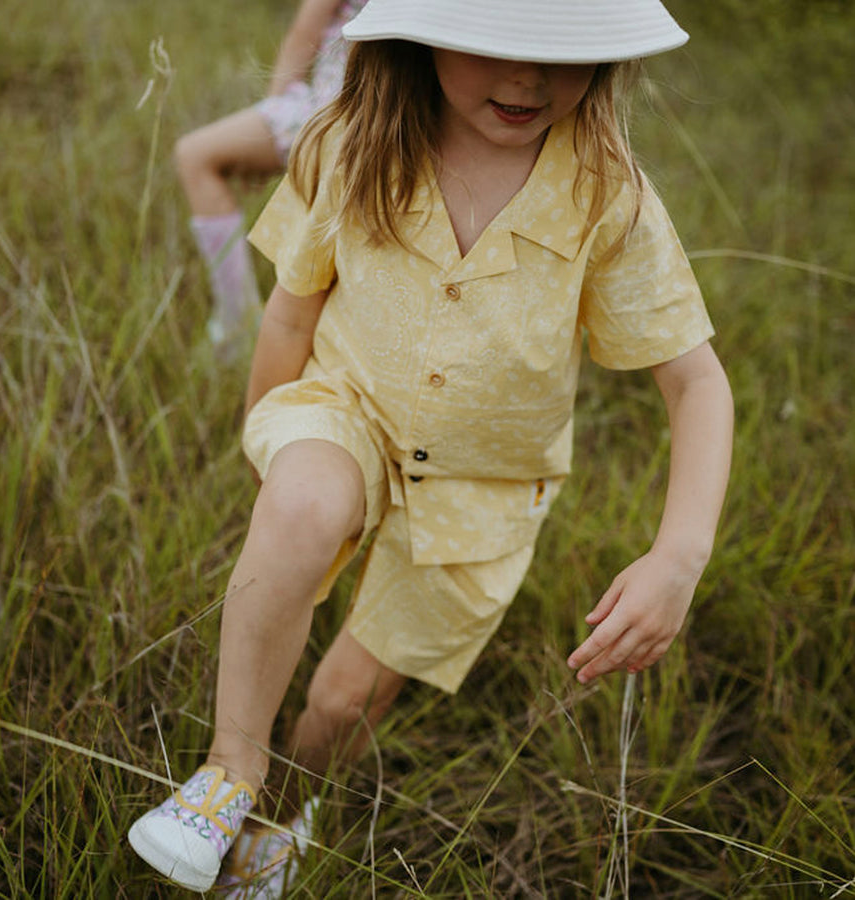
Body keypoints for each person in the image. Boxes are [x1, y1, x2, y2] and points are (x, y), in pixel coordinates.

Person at [129, 0, 735, 894]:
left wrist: (679, 556)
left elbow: (696, 382)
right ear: (423, 34)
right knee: (302, 502)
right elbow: (292, 307)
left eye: (563, 54)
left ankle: (279, 815)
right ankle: (230, 773)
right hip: (349, 411)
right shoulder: (350, 142)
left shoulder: (609, 195)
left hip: (482, 493)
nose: (529, 80)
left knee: (343, 704)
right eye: (497, 45)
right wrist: (268, 440)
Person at [175, 0, 367, 358]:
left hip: (333, 116)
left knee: (195, 155)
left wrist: (273, 120)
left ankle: (238, 325)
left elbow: (302, 36)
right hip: (396, 123)